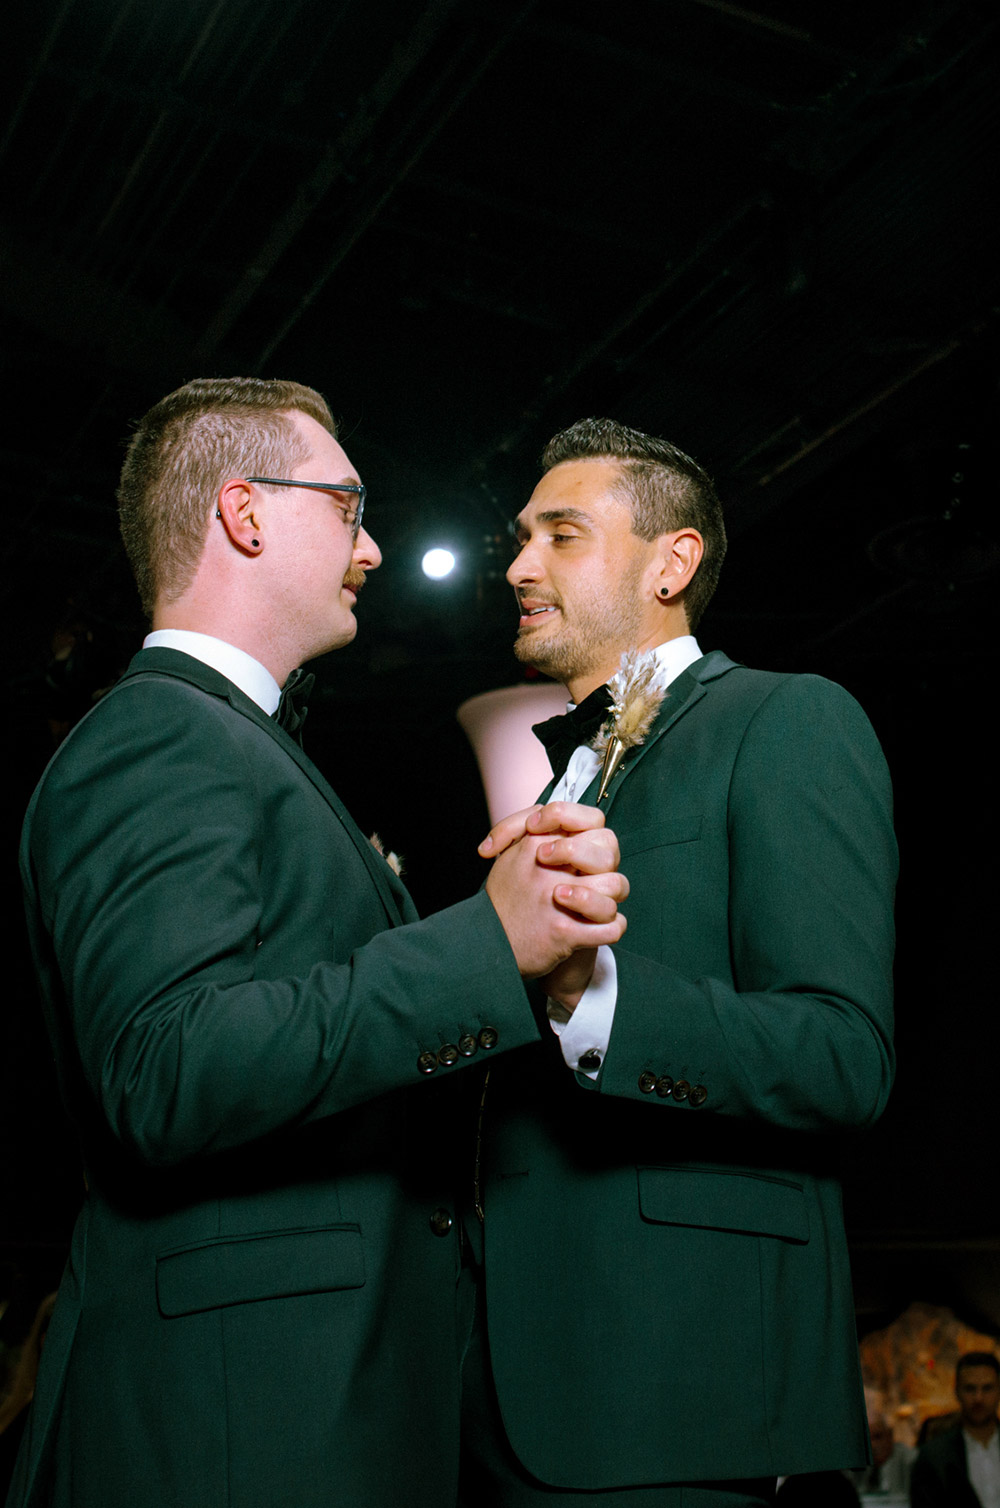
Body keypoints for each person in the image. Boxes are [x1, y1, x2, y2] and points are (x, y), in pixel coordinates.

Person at [11, 379, 629, 1508]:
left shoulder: (230, 742)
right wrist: (481, 946)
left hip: (305, 1405)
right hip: (240, 1425)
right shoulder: (157, 734)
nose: (375, 547)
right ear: (243, 514)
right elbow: (166, 1066)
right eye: (346, 507)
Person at [461, 418, 897, 1505]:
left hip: (675, 1393)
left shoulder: (787, 720)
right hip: (501, 1393)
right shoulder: (556, 772)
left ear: (673, 561)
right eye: (520, 538)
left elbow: (843, 1054)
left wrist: (589, 990)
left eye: (561, 535)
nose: (518, 565)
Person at [910, 1351, 1000, 1507]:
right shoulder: (935, 1456)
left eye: (987, 1388)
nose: (978, 1398)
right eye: (970, 1389)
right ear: (957, 1391)